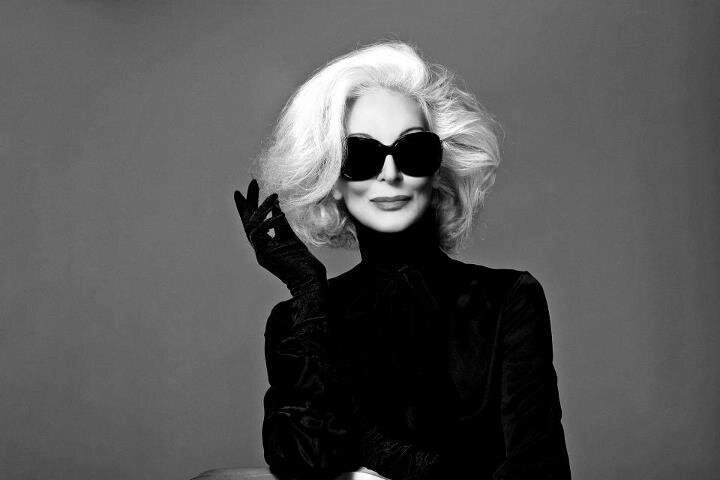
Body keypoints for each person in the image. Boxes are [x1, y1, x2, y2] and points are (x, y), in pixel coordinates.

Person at [233, 41, 571, 480]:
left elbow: (540, 471)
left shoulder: (507, 299)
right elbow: (301, 461)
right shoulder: (298, 322)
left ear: (438, 169)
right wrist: (308, 293)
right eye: (361, 156)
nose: (390, 173)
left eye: (413, 151)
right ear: (330, 177)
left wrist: (376, 453)